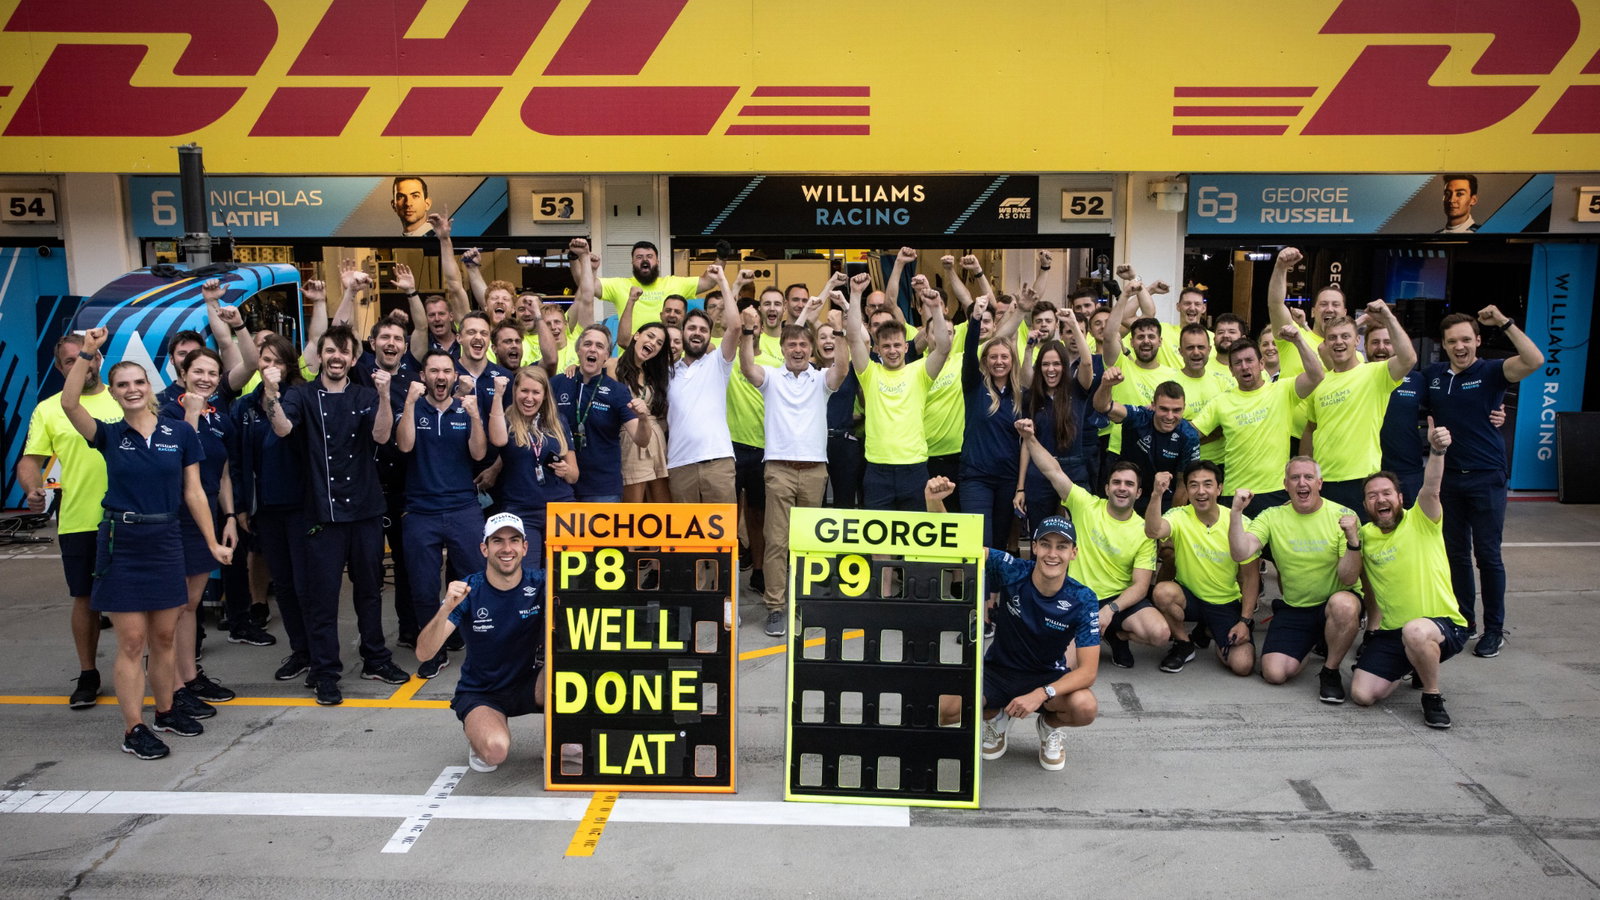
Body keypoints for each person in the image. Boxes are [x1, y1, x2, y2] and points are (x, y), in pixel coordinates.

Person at [62, 328, 232, 758]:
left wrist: (212, 543)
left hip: (166, 540)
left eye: (138, 382)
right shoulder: (107, 435)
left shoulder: (180, 433)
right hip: (122, 543)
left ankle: (167, 710)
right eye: (123, 385)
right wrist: (87, 353)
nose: (132, 389)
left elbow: (193, 492)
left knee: (164, 636)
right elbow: (68, 403)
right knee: (133, 641)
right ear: (114, 394)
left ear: (149, 387)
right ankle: (134, 727)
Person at [263, 325, 411, 706]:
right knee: (323, 598)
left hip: (364, 507)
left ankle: (375, 658)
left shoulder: (364, 394)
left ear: (353, 357)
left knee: (369, 591)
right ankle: (325, 671)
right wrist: (270, 394)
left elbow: (381, 437)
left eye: (344, 352)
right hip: (322, 512)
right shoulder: (301, 395)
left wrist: (382, 395)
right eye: (330, 351)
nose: (336, 357)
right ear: (320, 356)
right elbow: (282, 428)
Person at [927, 478, 1098, 771]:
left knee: (1085, 707)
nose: (1052, 554)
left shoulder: (1082, 598)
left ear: (1073, 553)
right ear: (1034, 547)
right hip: (1000, 672)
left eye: (1062, 546)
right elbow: (959, 547)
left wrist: (1041, 694)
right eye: (1045, 544)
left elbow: (1088, 671)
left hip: (1047, 677)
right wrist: (934, 502)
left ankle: (1049, 727)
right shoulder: (1012, 569)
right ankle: (996, 717)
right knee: (945, 708)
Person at [1425, 305, 1544, 657]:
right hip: (1449, 478)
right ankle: (1465, 622)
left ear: (1477, 340)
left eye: (1466, 339)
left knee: (1488, 556)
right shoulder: (1433, 375)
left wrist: (1504, 323)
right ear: (1443, 345)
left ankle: (1494, 629)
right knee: (1456, 554)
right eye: (1452, 341)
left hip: (1487, 476)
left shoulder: (1492, 371)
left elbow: (1535, 359)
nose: (1459, 347)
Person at [18, 333, 125, 708]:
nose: (87, 364)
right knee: (85, 600)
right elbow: (30, 460)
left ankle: (149, 670)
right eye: (74, 360)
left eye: (92, 356)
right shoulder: (49, 409)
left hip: (133, 518)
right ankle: (88, 673)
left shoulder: (125, 394)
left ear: (101, 358)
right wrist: (33, 490)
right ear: (62, 367)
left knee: (139, 599)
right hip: (80, 520)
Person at [741, 304, 850, 637]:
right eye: (792, 345)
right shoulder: (771, 376)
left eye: (804, 344)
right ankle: (775, 607)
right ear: (784, 349)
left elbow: (843, 369)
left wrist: (841, 330)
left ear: (811, 348)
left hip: (815, 471)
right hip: (779, 470)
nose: (798, 349)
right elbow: (747, 368)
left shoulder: (821, 379)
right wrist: (748, 331)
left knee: (810, 543)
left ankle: (804, 602)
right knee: (776, 541)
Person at [1018, 420, 1164, 668]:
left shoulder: (1144, 531)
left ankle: (1115, 635)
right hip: (1077, 597)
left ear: (1139, 493)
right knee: (1065, 664)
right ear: (1107, 488)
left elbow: (1140, 587)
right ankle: (1089, 634)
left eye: (1129, 484)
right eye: (1117, 483)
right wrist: (1029, 438)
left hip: (1115, 601)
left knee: (1159, 633)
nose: (1122, 488)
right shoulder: (1086, 505)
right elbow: (1053, 471)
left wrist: (1111, 610)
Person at [1351, 420, 1469, 728]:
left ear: (1400, 498)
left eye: (1386, 493)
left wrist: (1438, 451)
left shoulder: (1421, 519)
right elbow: (1348, 575)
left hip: (1442, 625)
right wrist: (1350, 541)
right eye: (1372, 496)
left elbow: (1431, 487)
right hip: (1393, 631)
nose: (1380, 500)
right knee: (1362, 693)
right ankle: (1412, 661)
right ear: (1365, 505)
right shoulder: (1363, 535)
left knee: (1416, 632)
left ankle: (1432, 694)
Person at [416, 513, 545, 773]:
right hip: (483, 691)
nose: (506, 548)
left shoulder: (541, 582)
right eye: (497, 541)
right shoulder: (467, 590)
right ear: (484, 548)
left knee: (566, 662)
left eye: (514, 540)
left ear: (525, 547)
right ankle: (480, 733)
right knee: (495, 752)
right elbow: (424, 653)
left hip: (531, 684)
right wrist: (444, 610)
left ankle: (558, 739)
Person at [1229, 458, 1363, 703]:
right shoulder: (1271, 516)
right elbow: (1241, 553)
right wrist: (1236, 512)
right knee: (1273, 673)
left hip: (1333, 603)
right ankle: (1315, 640)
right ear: (1285, 485)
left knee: (1343, 605)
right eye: (1295, 478)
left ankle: (1330, 671)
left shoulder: (1344, 515)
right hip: (1296, 606)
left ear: (1320, 483)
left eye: (1308, 477)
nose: (1302, 483)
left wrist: (1353, 540)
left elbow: (1349, 577)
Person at [397, 350, 492, 679]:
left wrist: (476, 416)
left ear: (455, 377)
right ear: (423, 376)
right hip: (421, 510)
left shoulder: (463, 409)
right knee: (423, 587)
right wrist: (409, 404)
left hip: (463, 507)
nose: (440, 377)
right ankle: (433, 652)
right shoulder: (414, 406)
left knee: (477, 577)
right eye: (434, 371)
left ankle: (478, 642)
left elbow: (479, 453)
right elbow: (405, 446)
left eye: (447, 371)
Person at [158, 348, 243, 718]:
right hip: (175, 515)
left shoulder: (220, 419)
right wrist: (191, 413)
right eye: (198, 372)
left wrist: (228, 516)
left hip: (207, 516)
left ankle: (190, 678)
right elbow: (179, 457)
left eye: (212, 373)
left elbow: (223, 473)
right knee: (172, 606)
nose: (206, 379)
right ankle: (173, 686)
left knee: (190, 604)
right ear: (183, 371)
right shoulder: (168, 413)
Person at [234, 334, 319, 682]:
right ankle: (300, 650)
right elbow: (239, 459)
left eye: (276, 361)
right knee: (282, 583)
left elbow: (288, 432)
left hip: (301, 506)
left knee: (305, 584)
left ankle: (319, 652)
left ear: (288, 365)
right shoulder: (246, 405)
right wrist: (242, 505)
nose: (270, 368)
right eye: (264, 361)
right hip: (266, 508)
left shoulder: (299, 397)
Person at [1191, 327, 1324, 518]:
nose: (1244, 366)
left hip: (1275, 492)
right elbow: (1190, 433)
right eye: (1237, 363)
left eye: (1249, 360)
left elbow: (1316, 375)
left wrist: (1298, 341)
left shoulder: (1283, 390)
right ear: (1231, 370)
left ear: (1261, 363)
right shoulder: (1221, 402)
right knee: (1236, 549)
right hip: (1234, 494)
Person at [1300, 301, 1415, 517]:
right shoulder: (1319, 383)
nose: (1339, 342)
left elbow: (1408, 359)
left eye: (1345, 336)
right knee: (1330, 548)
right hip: (1325, 480)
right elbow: (1310, 430)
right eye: (1332, 337)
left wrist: (1388, 317)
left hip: (1363, 480)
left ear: (1357, 341)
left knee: (1363, 544)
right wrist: (1307, 474)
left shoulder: (1375, 374)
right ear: (1325, 343)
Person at [1145, 463, 1259, 676]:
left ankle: (1209, 629)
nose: (1201, 491)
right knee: (1162, 592)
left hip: (1225, 601)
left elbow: (1251, 578)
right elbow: (1153, 531)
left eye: (1208, 484)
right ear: (1187, 491)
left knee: (1242, 665)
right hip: (1190, 597)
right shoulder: (1179, 514)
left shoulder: (1240, 521)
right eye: (1194, 485)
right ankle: (1183, 642)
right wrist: (1156, 494)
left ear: (1219, 489)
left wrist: (1245, 621)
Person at [847, 281, 952, 511]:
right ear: (878, 348)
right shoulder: (869, 373)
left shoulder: (920, 372)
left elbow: (943, 347)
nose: (892, 350)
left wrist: (935, 308)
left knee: (914, 544)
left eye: (897, 345)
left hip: (913, 468)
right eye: (886, 346)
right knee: (878, 542)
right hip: (877, 469)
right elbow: (854, 337)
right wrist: (855, 294)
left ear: (906, 347)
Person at [728, 285, 787, 592]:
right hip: (730, 445)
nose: (749, 329)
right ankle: (727, 573)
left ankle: (760, 570)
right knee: (728, 515)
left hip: (767, 446)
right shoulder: (723, 353)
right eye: (744, 326)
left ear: (761, 327)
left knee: (759, 514)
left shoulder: (777, 359)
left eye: (754, 326)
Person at [667, 266, 743, 503]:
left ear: (710, 336)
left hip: (718, 463)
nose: (697, 333)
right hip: (679, 465)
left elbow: (736, 327)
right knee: (684, 539)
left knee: (722, 538)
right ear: (682, 332)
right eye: (691, 328)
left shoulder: (718, 363)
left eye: (703, 330)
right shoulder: (667, 372)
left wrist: (722, 280)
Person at [489, 366, 577, 564]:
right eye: (524, 391)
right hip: (522, 510)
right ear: (515, 391)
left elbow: (574, 475)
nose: (529, 398)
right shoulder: (505, 420)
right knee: (528, 577)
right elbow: (496, 440)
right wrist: (497, 396)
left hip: (560, 509)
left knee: (563, 579)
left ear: (545, 395)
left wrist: (565, 470)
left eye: (536, 392)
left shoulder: (558, 421)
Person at [547, 325, 646, 503]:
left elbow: (641, 439)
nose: (593, 349)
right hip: (559, 485)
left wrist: (644, 419)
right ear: (578, 350)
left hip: (602, 488)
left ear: (607, 356)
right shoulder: (556, 384)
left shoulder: (617, 391)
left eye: (599, 346)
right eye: (587, 344)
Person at [957, 296, 1027, 546]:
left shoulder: (1021, 394)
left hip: (1007, 479)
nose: (999, 362)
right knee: (978, 543)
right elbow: (968, 354)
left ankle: (994, 588)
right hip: (976, 478)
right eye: (993, 357)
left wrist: (1020, 486)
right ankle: (978, 587)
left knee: (998, 544)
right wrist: (975, 319)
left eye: (1004, 357)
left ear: (1012, 361)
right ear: (985, 361)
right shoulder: (974, 386)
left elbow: (1026, 443)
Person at [1016, 338, 1098, 532]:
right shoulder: (1033, 397)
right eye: (1045, 364)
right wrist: (1021, 487)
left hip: (1073, 469)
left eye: (1056, 364)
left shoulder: (1077, 390)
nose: (1050, 369)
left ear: (1065, 366)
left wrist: (1073, 325)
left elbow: (1087, 363)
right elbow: (1027, 443)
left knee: (1079, 532)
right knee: (1041, 533)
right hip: (1039, 473)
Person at [1100, 282, 1181, 464]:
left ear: (1160, 341)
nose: (1146, 341)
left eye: (1151, 336)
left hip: (1159, 450)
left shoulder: (1173, 376)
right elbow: (1109, 336)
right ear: (1132, 342)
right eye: (1140, 337)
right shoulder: (1120, 365)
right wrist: (1125, 295)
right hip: (1120, 450)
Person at [1094, 374, 1199, 513]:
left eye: (1176, 410)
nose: (1169, 416)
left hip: (1163, 497)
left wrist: (1172, 522)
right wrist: (1106, 385)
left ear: (1184, 408)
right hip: (1127, 491)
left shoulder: (1189, 436)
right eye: (1164, 409)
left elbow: (1183, 485)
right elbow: (1103, 406)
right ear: (1153, 405)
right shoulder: (1139, 417)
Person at [572, 237, 719, 330]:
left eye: (649, 256)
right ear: (632, 262)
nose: (645, 260)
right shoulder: (619, 285)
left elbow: (708, 282)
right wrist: (577, 258)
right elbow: (586, 287)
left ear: (657, 261)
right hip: (630, 365)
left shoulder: (674, 283)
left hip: (669, 362)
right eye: (639, 257)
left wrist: (722, 256)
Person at [611, 321, 672, 503]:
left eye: (659, 343)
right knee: (633, 507)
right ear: (637, 335)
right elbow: (587, 373)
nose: (653, 343)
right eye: (650, 336)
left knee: (662, 506)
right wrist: (573, 368)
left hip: (656, 441)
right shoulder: (612, 365)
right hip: (630, 439)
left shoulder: (653, 374)